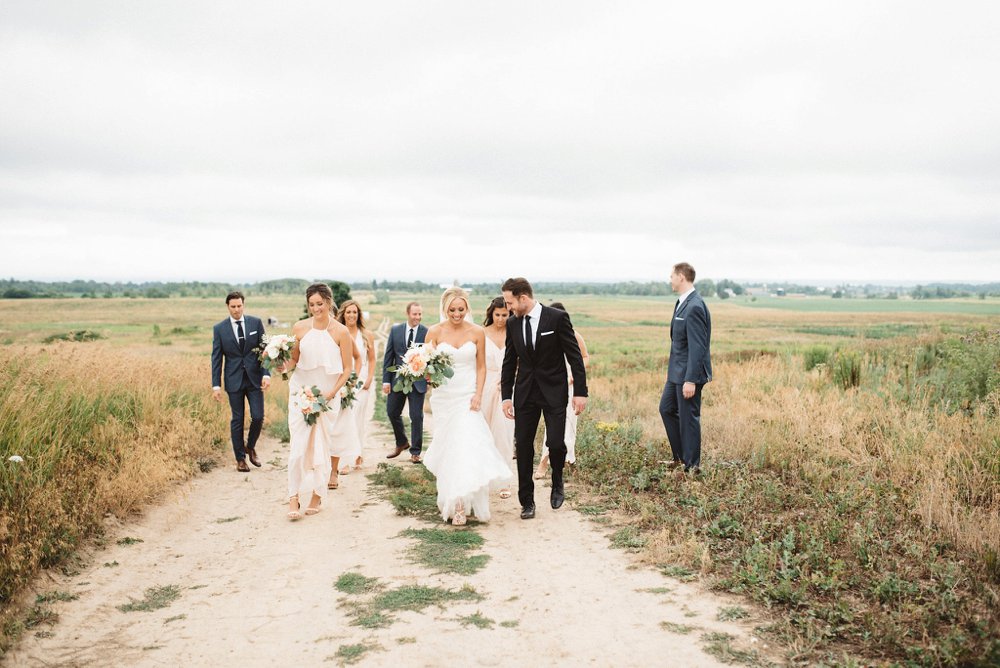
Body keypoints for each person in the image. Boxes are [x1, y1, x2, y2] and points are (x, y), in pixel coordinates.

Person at [423, 287, 512, 525]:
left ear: (467, 309)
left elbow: (481, 366)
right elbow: (426, 365)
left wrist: (478, 395)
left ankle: (463, 503)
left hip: (468, 394)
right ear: (445, 309)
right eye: (452, 310)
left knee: (466, 445)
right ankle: (455, 500)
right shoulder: (434, 332)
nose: (456, 313)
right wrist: (426, 376)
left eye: (461, 309)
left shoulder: (476, 332)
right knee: (450, 446)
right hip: (444, 397)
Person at [501, 277, 587, 520]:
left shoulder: (556, 319)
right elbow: (509, 362)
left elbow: (575, 357)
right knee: (524, 447)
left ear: (523, 298)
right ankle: (526, 501)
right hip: (525, 393)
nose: (508, 308)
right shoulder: (513, 324)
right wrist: (507, 397)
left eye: (510, 302)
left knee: (557, 443)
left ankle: (557, 479)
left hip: (554, 391)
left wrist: (581, 392)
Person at [284, 283, 355, 520]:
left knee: (321, 446)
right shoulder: (300, 328)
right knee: (297, 446)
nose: (316, 309)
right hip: (301, 392)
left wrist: (332, 393)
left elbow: (347, 369)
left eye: (320, 304)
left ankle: (317, 494)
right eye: (312, 305)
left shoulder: (341, 332)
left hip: (326, 396)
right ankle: (293, 496)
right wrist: (277, 361)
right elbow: (293, 361)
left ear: (328, 302)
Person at [658, 262, 712, 475]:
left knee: (689, 418)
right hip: (675, 373)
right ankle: (680, 458)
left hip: (688, 375)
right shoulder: (682, 303)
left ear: (681, 277)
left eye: (671, 275)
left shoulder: (695, 306)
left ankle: (692, 467)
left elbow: (698, 347)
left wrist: (691, 379)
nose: (669, 279)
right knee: (666, 409)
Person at [211, 291, 271, 472]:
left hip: (255, 379)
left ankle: (250, 446)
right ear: (228, 307)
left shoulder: (256, 323)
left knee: (258, 416)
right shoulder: (219, 329)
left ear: (243, 305)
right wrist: (216, 385)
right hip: (233, 380)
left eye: (239, 306)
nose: (237, 310)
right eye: (233, 307)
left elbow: (265, 350)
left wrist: (266, 374)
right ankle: (240, 459)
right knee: (237, 419)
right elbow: (216, 358)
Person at [535, 301, 590, 480]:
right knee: (553, 425)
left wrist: (577, 374)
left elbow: (584, 357)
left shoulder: (574, 335)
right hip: (553, 386)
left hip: (571, 385)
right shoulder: (544, 336)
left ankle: (570, 460)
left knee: (570, 423)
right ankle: (544, 460)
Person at [382, 302, 428, 463]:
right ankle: (401, 442)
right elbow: (389, 357)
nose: (417, 317)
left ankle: (415, 452)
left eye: (420, 314)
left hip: (418, 381)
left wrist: (428, 376)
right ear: (407, 313)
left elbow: (430, 357)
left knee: (416, 416)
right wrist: (385, 381)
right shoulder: (395, 330)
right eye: (415, 314)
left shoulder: (426, 332)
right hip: (398, 380)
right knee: (392, 412)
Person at [481, 297, 515, 499]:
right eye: (497, 315)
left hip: (508, 387)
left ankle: (504, 480)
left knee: (504, 433)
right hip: (485, 385)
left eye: (505, 315)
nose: (501, 319)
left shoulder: (514, 333)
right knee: (483, 432)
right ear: (491, 314)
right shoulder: (481, 333)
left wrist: (508, 380)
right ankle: (482, 476)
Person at [337, 299, 376, 470]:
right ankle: (345, 459)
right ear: (343, 315)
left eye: (355, 312)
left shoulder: (366, 334)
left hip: (362, 382)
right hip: (343, 381)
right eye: (348, 312)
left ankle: (357, 453)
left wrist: (369, 378)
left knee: (357, 419)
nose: (352, 315)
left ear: (358, 315)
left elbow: (372, 359)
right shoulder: (338, 332)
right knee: (345, 419)